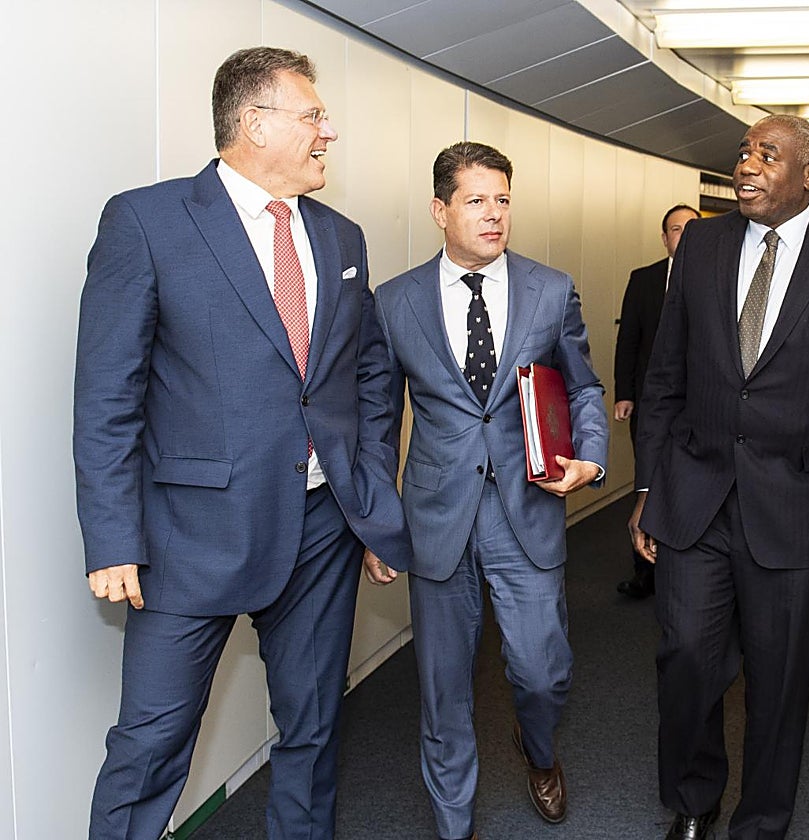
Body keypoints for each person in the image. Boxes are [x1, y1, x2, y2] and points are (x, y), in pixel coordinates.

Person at [73, 46, 409, 839]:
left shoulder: (342, 237)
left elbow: (362, 384)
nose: (330, 132)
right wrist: (112, 538)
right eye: (314, 116)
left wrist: (369, 508)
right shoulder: (147, 221)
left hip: (323, 526)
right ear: (255, 123)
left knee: (314, 726)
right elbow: (107, 396)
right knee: (150, 744)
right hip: (190, 536)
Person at [629, 114, 809, 840]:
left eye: (768, 155)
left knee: (780, 682)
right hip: (696, 496)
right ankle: (694, 802)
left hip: (799, 507)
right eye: (744, 153)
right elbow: (664, 378)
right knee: (687, 657)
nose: (746, 166)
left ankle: (761, 824)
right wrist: (648, 492)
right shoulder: (702, 243)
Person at [367, 141, 608, 840]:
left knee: (542, 672)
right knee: (443, 688)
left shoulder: (550, 290)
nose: (494, 214)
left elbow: (584, 386)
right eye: (476, 200)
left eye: (502, 199)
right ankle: (454, 823)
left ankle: (537, 749)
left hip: (525, 509)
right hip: (435, 517)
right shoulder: (394, 302)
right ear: (441, 211)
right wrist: (382, 526)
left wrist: (590, 458)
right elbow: (380, 421)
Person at [613, 203, 701, 599]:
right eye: (676, 229)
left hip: (699, 405)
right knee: (647, 481)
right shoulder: (644, 280)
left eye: (690, 229)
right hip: (651, 403)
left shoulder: (722, 279)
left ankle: (687, 566)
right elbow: (628, 339)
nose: (682, 236)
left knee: (690, 483)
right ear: (665, 238)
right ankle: (643, 569)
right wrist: (625, 393)